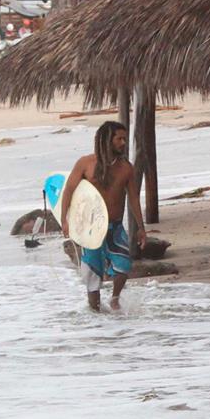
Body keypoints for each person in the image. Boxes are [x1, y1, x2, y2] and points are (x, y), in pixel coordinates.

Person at [58, 119, 145, 312]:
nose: (123, 143)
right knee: (92, 272)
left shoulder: (126, 168)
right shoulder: (85, 163)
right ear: (107, 139)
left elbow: (134, 199)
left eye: (125, 138)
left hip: (114, 227)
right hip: (90, 228)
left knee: (123, 264)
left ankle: (115, 299)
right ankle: (95, 313)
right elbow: (69, 191)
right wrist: (65, 220)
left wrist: (141, 228)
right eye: (120, 138)